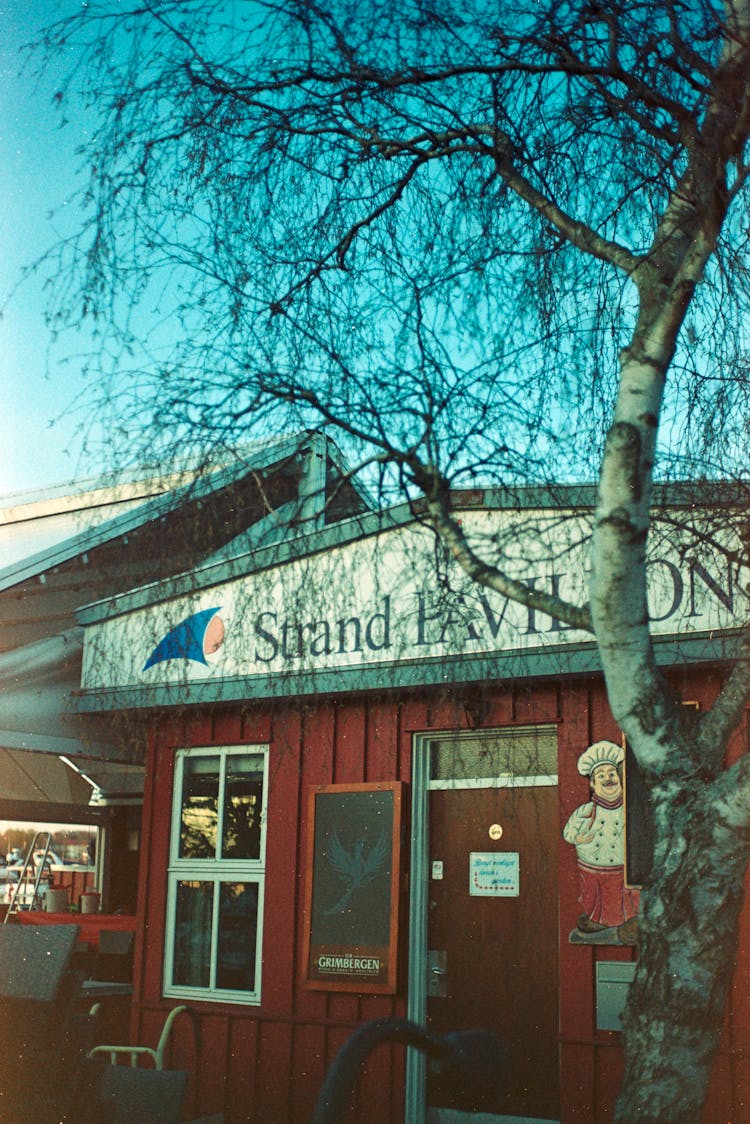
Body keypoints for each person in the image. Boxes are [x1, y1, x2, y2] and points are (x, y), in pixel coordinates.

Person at [563, 740, 639, 939]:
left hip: (621, 865)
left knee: (626, 897)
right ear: (592, 783)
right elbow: (568, 832)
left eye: (612, 774)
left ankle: (630, 921)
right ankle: (598, 920)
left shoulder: (628, 808)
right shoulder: (587, 810)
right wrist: (577, 836)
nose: (608, 779)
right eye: (601, 776)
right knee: (597, 897)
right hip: (594, 865)